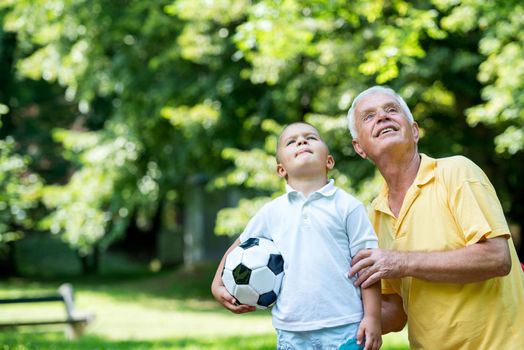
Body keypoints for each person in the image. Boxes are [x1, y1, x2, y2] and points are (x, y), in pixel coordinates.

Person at [346, 85, 524, 349]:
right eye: (369, 116)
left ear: (414, 131)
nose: (382, 116)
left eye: (391, 110)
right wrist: (325, 314)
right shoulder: (373, 215)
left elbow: (497, 258)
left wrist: (401, 261)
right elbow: (394, 312)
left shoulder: (457, 172)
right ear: (359, 148)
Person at [211, 122, 382, 350]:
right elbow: (239, 248)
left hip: (345, 326)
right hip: (291, 331)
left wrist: (372, 317)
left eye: (311, 137)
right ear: (281, 169)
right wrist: (217, 284)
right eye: (291, 142)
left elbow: (368, 266)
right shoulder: (271, 212)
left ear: (328, 161)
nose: (301, 141)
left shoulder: (348, 206)